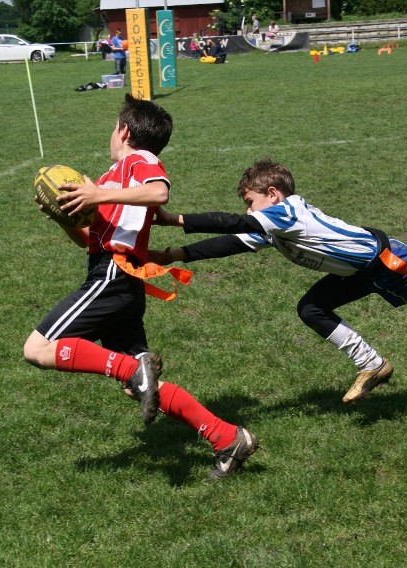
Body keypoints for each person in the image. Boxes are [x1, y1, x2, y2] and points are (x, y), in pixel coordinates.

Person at [150, 159, 407, 403]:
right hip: (357, 274)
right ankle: (371, 364)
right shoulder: (274, 221)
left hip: (391, 263)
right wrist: (172, 255)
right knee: (311, 308)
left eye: (251, 200)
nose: (248, 209)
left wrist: (176, 219)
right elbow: (233, 242)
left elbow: (236, 222)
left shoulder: (287, 211)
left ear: (273, 194)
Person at [23, 94, 258, 480]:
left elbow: (159, 192)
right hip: (121, 277)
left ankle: (135, 367)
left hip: (113, 275)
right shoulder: (111, 179)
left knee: (37, 348)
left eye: (114, 126)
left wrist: (98, 194)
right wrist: (62, 218)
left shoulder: (138, 161)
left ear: (124, 131)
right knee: (140, 388)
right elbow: (88, 239)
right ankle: (228, 437)